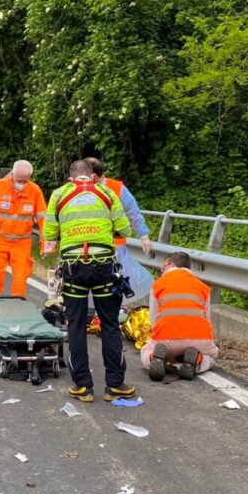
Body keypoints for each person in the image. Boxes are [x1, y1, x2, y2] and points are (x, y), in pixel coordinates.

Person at [43, 160, 136, 403]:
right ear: (92, 177)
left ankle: (83, 386)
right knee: (109, 324)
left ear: (71, 178)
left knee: (75, 325)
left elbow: (50, 235)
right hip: (104, 266)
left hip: (73, 269)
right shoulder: (106, 192)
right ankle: (115, 385)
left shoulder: (59, 194)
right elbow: (125, 230)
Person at [140, 251, 219, 380]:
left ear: (169, 264)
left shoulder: (157, 285)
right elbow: (207, 320)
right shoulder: (203, 287)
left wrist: (155, 340)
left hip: (166, 339)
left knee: (145, 350)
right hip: (199, 339)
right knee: (211, 356)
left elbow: (154, 319)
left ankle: (155, 358)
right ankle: (195, 361)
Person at [85, 157, 154, 301]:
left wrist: (143, 235)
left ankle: (114, 313)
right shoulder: (81, 188)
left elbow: (133, 212)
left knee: (115, 287)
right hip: (88, 247)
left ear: (93, 176)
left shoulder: (117, 188)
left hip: (114, 249)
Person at [0, 160, 46, 298]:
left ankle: (18, 306)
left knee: (20, 277)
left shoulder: (34, 191)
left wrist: (46, 246)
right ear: (12, 174)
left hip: (22, 243)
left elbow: (44, 221)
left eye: (24, 181)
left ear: (29, 178)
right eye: (18, 180)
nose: (20, 183)